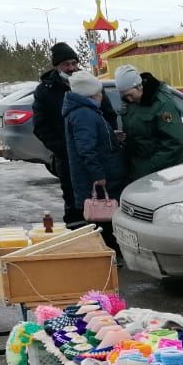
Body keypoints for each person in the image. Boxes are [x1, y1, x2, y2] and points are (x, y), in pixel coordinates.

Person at [32, 42, 117, 225]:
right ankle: (78, 240)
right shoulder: (46, 91)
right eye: (66, 64)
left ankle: (104, 242)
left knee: (101, 203)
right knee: (74, 203)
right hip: (67, 158)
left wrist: (107, 141)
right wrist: (64, 149)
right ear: (56, 66)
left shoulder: (88, 82)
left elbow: (109, 115)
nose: (71, 68)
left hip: (95, 154)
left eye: (73, 63)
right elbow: (40, 127)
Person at [62, 71, 125, 248]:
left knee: (103, 218)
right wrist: (98, 174)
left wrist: (111, 136)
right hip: (96, 178)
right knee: (102, 218)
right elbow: (86, 148)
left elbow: (92, 139)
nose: (101, 96)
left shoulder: (87, 112)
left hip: (97, 174)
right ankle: (106, 253)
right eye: (99, 93)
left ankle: (107, 251)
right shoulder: (84, 114)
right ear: (90, 94)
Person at [114, 64, 183, 182]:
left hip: (162, 173)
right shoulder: (132, 102)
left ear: (139, 87)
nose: (129, 100)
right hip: (139, 169)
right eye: (125, 96)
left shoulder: (163, 104)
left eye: (130, 95)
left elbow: (174, 142)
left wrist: (149, 167)